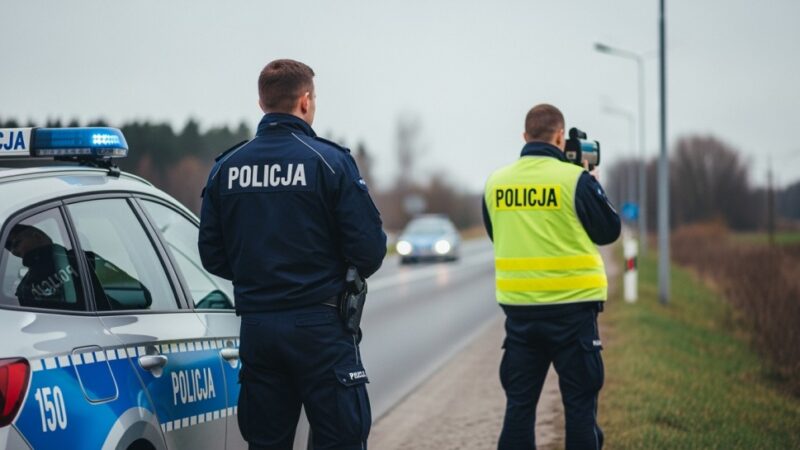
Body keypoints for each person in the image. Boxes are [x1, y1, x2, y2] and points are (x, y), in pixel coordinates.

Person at [198, 59, 386, 450]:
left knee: (266, 443)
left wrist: (260, 273)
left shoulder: (226, 168)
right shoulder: (329, 162)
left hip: (259, 330)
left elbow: (212, 255)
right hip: (321, 325)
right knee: (341, 440)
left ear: (261, 103)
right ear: (304, 102)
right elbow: (369, 249)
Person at [482, 104, 620, 450]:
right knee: (579, 410)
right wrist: (592, 184)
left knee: (519, 409)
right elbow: (608, 231)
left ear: (525, 137)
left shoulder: (495, 183)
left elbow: (497, 233)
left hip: (521, 317)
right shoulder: (575, 181)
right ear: (561, 137)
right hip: (574, 314)